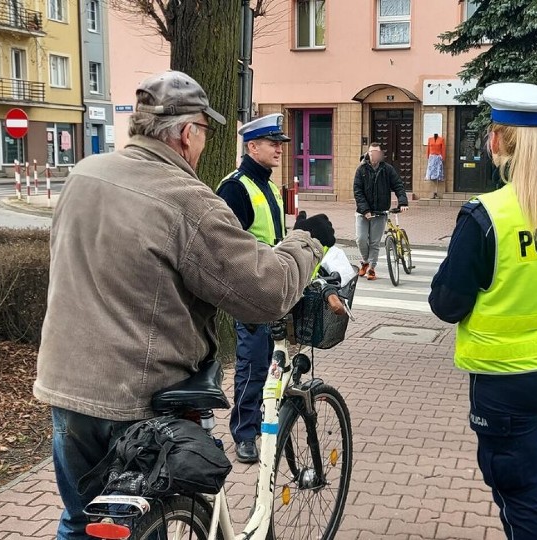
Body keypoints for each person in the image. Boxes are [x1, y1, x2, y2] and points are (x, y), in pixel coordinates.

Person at [33, 70, 336, 540]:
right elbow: (265, 292)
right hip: (140, 396)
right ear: (186, 132)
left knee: (80, 520)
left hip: (66, 385)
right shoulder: (185, 199)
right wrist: (307, 243)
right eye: (204, 132)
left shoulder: (83, 174)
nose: (202, 146)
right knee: (146, 524)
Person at [428, 82, 537, 540]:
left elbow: (447, 304)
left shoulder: (487, 215)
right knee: (535, 479)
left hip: (508, 382)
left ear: (499, 141)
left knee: (521, 496)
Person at [216, 113, 290, 464]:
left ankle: (265, 421)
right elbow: (226, 250)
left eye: (280, 144)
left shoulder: (270, 185)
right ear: (252, 146)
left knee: (273, 362)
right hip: (250, 292)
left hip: (274, 287)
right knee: (252, 363)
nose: (279, 149)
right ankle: (244, 432)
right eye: (272, 143)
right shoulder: (236, 187)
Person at [353, 142, 408, 280]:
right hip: (362, 213)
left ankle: (371, 268)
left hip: (380, 212)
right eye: (372, 152)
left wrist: (403, 202)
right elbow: (357, 191)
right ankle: (365, 261)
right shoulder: (361, 169)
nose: (374, 155)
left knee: (374, 242)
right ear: (368, 153)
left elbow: (398, 185)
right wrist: (365, 210)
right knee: (361, 239)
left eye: (377, 152)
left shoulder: (387, 169)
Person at [425, 133, 445, 198]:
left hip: (438, 158)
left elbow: (443, 149)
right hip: (431, 158)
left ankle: (436, 192)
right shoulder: (430, 139)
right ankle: (433, 192)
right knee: (431, 175)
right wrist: (428, 157)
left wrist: (443, 158)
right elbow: (428, 148)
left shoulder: (441, 139)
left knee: (437, 174)